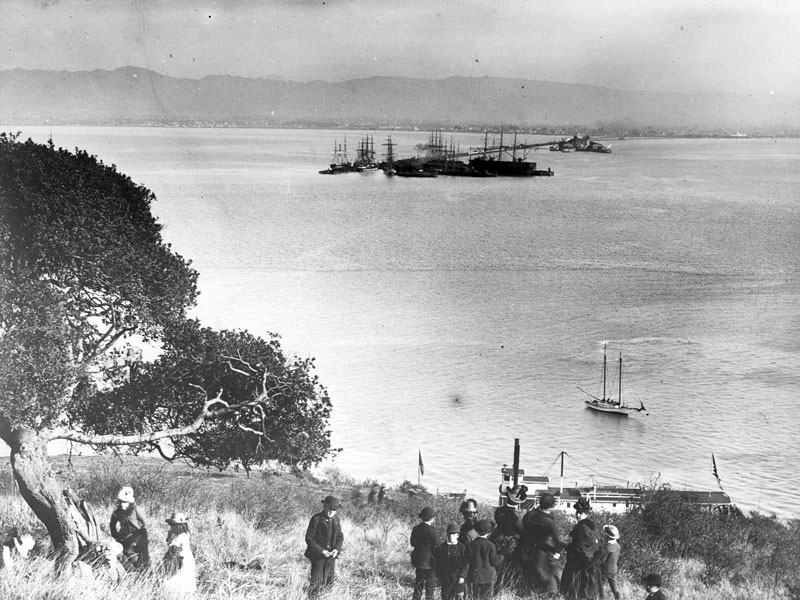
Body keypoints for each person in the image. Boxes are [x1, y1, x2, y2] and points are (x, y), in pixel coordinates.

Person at [518, 492, 562, 597]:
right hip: (544, 551)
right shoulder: (549, 522)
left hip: (528, 550)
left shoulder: (529, 515)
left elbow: (522, 531)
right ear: (551, 507)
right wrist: (558, 551)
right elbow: (557, 540)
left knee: (533, 578)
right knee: (551, 576)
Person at [560, 497, 602, 600]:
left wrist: (569, 548)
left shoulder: (582, 528)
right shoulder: (586, 527)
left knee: (576, 592)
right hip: (586, 564)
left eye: (581, 513)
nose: (578, 515)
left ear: (586, 514)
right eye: (577, 512)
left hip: (581, 566)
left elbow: (583, 547)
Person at [304, 495, 344, 597]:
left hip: (331, 557)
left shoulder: (336, 519)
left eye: (334, 510)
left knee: (329, 582)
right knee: (316, 582)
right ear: (324, 506)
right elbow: (309, 538)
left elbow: (340, 536)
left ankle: (326, 596)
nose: (331, 512)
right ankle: (313, 597)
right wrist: (321, 551)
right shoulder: (316, 519)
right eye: (329, 509)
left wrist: (336, 549)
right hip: (318, 557)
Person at [489, 489, 524, 596]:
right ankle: (509, 592)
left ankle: (497, 593)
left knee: (499, 570)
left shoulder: (499, 511)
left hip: (497, 540)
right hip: (512, 545)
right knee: (511, 571)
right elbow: (520, 529)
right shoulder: (516, 515)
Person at [109, 486, 150, 571]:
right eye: (121, 502)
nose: (122, 504)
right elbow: (112, 525)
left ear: (130, 503)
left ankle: (144, 575)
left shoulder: (135, 510)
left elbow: (145, 524)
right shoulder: (117, 512)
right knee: (124, 558)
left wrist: (140, 536)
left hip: (137, 539)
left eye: (125, 502)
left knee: (141, 560)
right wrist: (116, 536)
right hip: (124, 538)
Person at [162, 512, 197, 598]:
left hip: (179, 560)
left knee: (175, 581)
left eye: (173, 525)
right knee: (186, 582)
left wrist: (168, 563)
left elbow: (174, 552)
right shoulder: (186, 534)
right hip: (187, 558)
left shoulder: (178, 537)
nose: (172, 527)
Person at [467, 519, 503, 600]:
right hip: (487, 578)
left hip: (473, 576)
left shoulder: (470, 544)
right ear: (489, 532)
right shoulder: (490, 545)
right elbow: (494, 562)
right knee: (486, 597)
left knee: (474, 597)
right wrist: (502, 556)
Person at [410, 506, 439, 600]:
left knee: (418, 585)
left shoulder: (416, 529)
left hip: (419, 562)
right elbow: (437, 547)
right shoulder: (433, 532)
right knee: (429, 588)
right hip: (430, 563)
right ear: (432, 518)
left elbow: (412, 543)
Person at [437, 523, 469, 600]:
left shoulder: (461, 547)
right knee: (446, 597)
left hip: (458, 578)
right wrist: (438, 576)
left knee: (460, 596)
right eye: (449, 533)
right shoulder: (442, 547)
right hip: (446, 578)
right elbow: (438, 563)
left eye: (453, 534)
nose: (451, 536)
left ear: (457, 535)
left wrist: (462, 575)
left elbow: (466, 563)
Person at [602, 525, 621, 600]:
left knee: (598, 587)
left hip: (605, 570)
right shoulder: (617, 546)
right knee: (614, 588)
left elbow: (602, 559)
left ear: (608, 536)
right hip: (613, 569)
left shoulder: (608, 547)